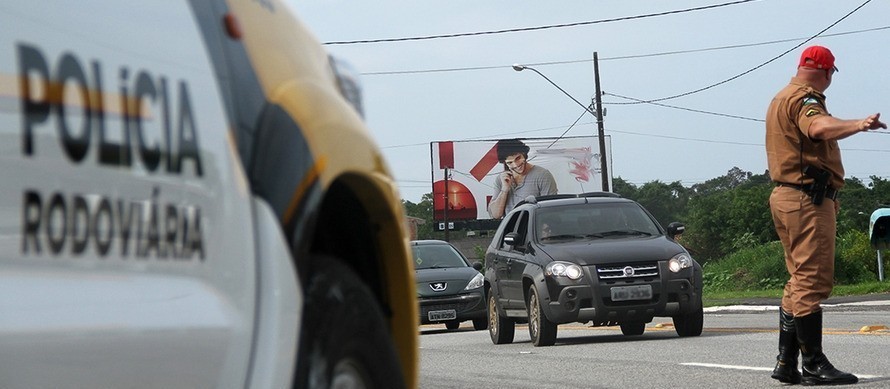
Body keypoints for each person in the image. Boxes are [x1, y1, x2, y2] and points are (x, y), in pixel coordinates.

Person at [765, 45, 886, 386]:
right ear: (825, 71)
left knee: (798, 279)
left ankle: (787, 361)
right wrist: (858, 124)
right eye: (832, 73)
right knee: (812, 281)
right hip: (805, 199)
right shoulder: (806, 99)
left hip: (790, 197)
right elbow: (817, 128)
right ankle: (814, 363)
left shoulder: (780, 98)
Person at [487, 139, 557, 219]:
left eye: (518, 158)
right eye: (510, 162)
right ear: (505, 163)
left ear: (524, 154)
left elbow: (550, 211)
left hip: (533, 228)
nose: (516, 164)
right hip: (510, 230)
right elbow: (496, 215)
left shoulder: (543, 175)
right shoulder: (501, 179)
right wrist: (504, 190)